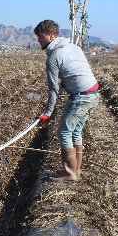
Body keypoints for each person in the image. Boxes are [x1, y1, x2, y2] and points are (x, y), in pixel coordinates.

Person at [35, 20, 99, 181]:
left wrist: (48, 112)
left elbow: (53, 88)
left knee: (64, 132)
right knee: (75, 131)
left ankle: (69, 173)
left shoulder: (54, 56)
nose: (38, 40)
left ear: (51, 36)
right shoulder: (73, 47)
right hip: (93, 94)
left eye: (40, 37)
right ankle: (75, 171)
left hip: (81, 97)